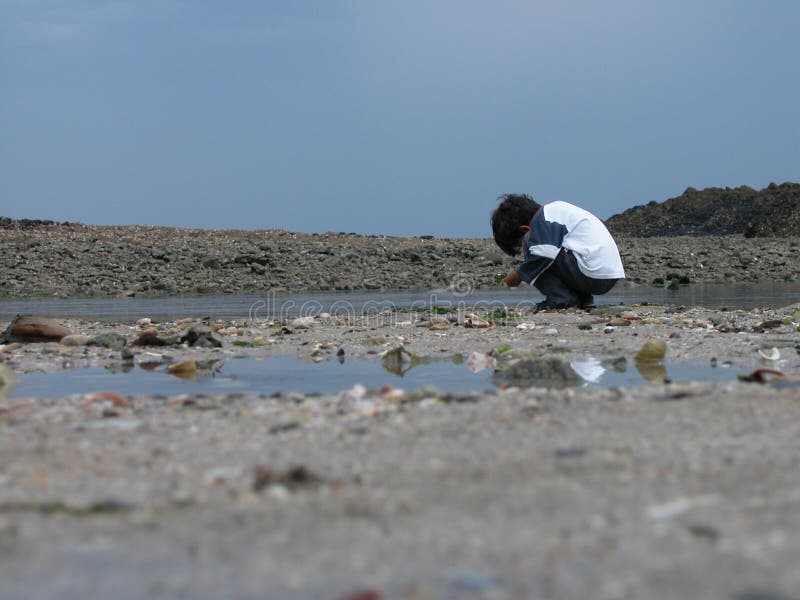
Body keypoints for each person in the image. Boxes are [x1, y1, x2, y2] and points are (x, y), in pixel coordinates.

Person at [490, 193, 625, 310]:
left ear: (524, 229)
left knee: (538, 253)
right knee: (545, 251)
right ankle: (582, 299)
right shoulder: (555, 211)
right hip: (606, 273)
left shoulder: (544, 219)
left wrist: (517, 275)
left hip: (593, 273)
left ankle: (562, 300)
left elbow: (544, 255)